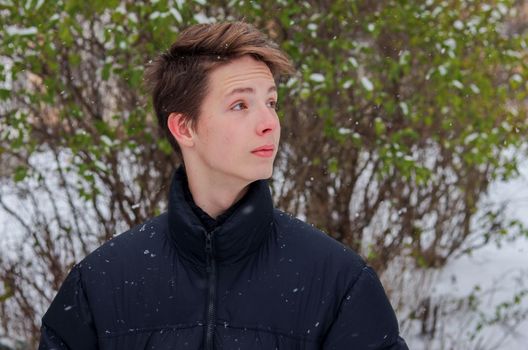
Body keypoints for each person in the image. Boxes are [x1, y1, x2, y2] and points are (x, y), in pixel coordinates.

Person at [39, 21, 408, 350]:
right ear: (184, 127)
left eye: (271, 102)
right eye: (239, 106)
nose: (269, 123)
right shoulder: (102, 284)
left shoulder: (338, 283)